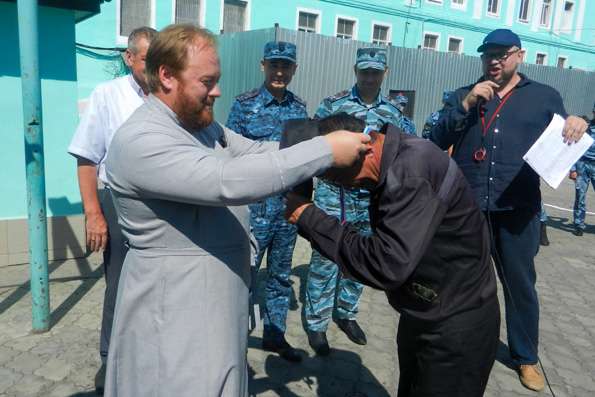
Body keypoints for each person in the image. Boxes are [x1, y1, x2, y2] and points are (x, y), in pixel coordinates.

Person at [102, 24, 370, 397]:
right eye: (207, 81)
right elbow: (227, 179)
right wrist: (325, 151)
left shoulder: (198, 127)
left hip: (211, 313)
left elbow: (257, 151)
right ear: (166, 76)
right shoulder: (142, 140)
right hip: (173, 318)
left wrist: (325, 142)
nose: (217, 91)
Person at [284, 113, 500, 397]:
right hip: (426, 310)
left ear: (364, 147)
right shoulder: (394, 155)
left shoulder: (410, 173)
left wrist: (308, 216)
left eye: (334, 176)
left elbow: (386, 263)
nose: (340, 186)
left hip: (456, 327)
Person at [429, 29, 587, 391]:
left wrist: (577, 123)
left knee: (519, 286)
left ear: (520, 56)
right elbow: (436, 139)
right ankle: (462, 343)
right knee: (462, 281)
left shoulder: (544, 97)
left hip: (518, 208)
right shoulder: (464, 94)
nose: (494, 60)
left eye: (502, 54)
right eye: (488, 55)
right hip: (468, 209)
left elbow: (566, 136)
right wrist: (465, 104)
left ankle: (526, 358)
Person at [304, 47, 414, 355]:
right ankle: (316, 323)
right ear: (355, 71)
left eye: (375, 73)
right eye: (364, 72)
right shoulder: (333, 104)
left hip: (369, 199)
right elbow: (314, 146)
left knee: (361, 259)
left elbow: (402, 152)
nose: (369, 78)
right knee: (325, 258)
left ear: (384, 74)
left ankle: (346, 313)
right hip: (333, 194)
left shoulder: (394, 112)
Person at [67, 26, 157, 394]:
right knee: (119, 285)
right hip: (118, 203)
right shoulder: (108, 95)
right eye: (147, 60)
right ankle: (111, 359)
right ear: (129, 58)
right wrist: (94, 214)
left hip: (163, 207)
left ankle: (150, 355)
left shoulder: (169, 95)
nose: (154, 68)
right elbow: (87, 157)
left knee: (156, 284)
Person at [225, 41, 307, 362]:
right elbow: (229, 154)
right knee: (245, 278)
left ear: (293, 70)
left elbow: (301, 159)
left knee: (280, 276)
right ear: (263, 66)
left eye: (286, 66)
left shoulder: (299, 108)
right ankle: (238, 343)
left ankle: (275, 336)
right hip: (255, 209)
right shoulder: (244, 105)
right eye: (274, 65)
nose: (279, 72)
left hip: (287, 210)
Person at [569, 108, 595, 236]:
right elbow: (574, 148)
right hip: (582, 165)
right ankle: (579, 224)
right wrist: (573, 169)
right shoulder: (585, 128)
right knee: (580, 195)